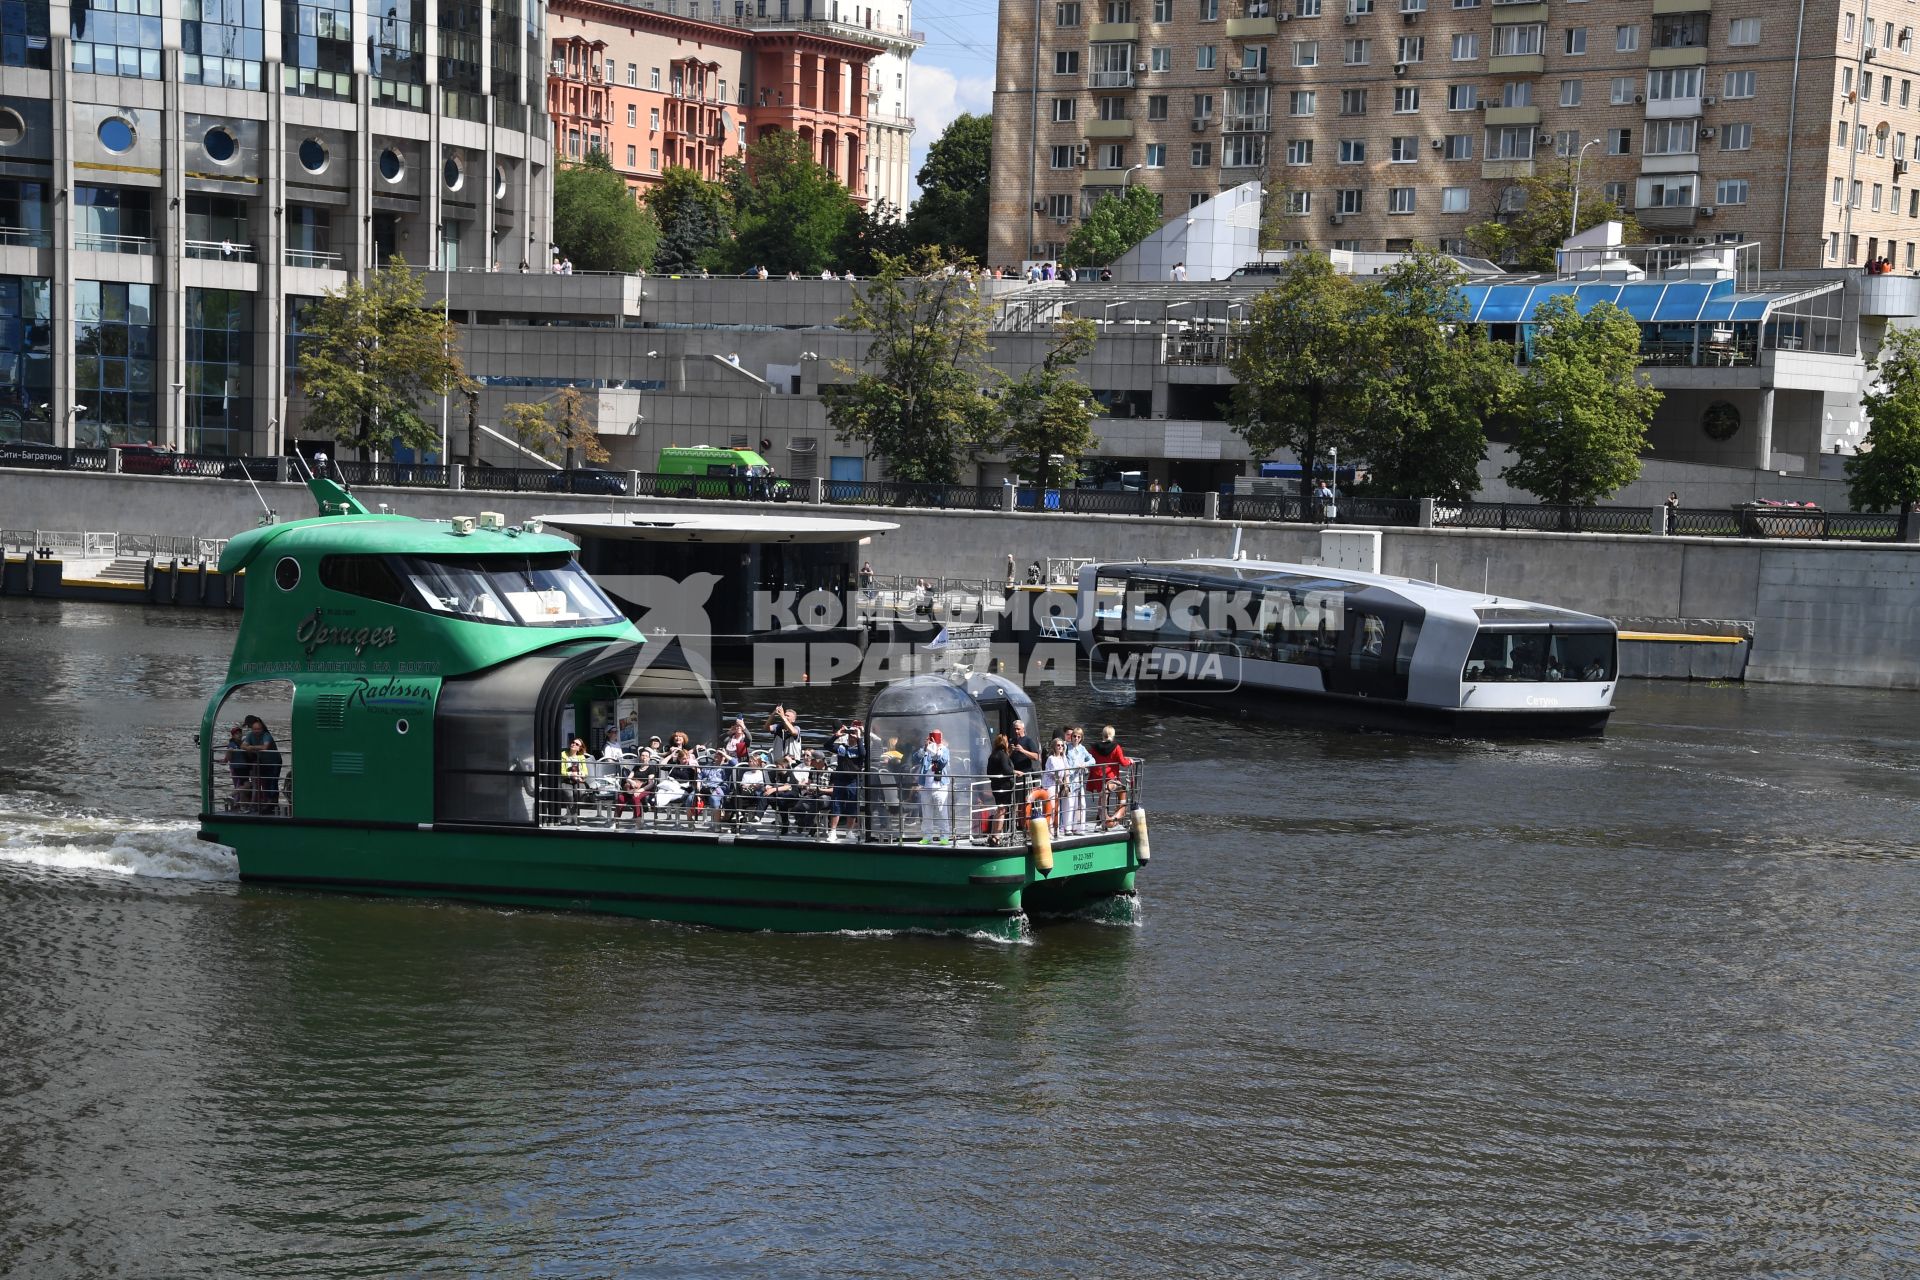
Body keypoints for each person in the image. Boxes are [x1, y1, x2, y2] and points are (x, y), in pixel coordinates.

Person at [1088, 726, 1134, 828]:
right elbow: (1123, 762)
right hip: (1111, 777)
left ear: (1102, 735)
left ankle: (1099, 820)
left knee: (1102, 797)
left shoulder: (1094, 747)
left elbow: (1089, 758)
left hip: (1097, 776)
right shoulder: (1116, 747)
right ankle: (1108, 821)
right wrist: (1129, 761)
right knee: (1108, 797)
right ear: (1112, 735)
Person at [828, 722, 866, 840]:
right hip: (840, 780)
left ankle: (849, 831)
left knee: (852, 806)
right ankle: (832, 832)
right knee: (836, 806)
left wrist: (859, 738)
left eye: (853, 733)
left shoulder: (861, 748)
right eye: (850, 733)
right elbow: (827, 746)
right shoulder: (842, 747)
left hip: (853, 781)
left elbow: (863, 754)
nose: (851, 736)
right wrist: (837, 735)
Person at [913, 729, 952, 843]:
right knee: (926, 813)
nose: (934, 739)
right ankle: (927, 837)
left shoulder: (944, 750)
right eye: (932, 736)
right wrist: (925, 748)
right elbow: (915, 758)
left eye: (937, 736)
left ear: (941, 737)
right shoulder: (926, 750)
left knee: (941, 812)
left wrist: (936, 750)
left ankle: (944, 837)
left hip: (940, 786)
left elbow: (943, 762)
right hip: (926, 787)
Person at [240, 716, 282, 814]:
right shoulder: (250, 735)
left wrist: (251, 747)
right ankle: (269, 803)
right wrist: (249, 747)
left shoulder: (266, 735)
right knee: (266, 783)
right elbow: (242, 745)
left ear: (262, 728)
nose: (256, 731)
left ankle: (273, 804)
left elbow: (265, 746)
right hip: (263, 762)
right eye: (254, 729)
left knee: (273, 782)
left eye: (258, 729)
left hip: (274, 762)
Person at [1063, 725, 1095, 835]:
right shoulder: (1067, 747)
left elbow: (1092, 760)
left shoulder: (1082, 749)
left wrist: (1084, 764)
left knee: (1081, 804)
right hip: (1070, 779)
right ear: (1071, 737)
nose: (1076, 738)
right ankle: (1067, 828)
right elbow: (1062, 758)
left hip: (1079, 779)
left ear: (1081, 738)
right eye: (1074, 736)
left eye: (1078, 737)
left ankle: (1079, 827)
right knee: (1070, 803)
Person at [986, 733, 1016, 845]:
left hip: (995, 786)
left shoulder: (992, 755)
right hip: (1003, 787)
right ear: (1004, 743)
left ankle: (993, 834)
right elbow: (1007, 770)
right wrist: (1014, 772)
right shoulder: (1002, 755)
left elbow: (989, 772)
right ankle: (996, 837)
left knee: (999, 810)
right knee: (1002, 810)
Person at [558, 735, 591, 819]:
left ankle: (571, 813)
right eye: (573, 742)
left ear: (579, 748)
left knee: (579, 792)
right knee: (569, 795)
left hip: (578, 780)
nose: (573, 744)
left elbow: (585, 772)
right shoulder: (563, 754)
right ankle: (574, 814)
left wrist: (579, 775)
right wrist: (571, 774)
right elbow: (561, 771)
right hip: (566, 780)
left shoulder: (581, 757)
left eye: (576, 744)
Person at [223, 724, 253, 812]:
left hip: (244, 767)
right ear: (233, 735)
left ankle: (242, 806)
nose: (239, 735)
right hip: (239, 768)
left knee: (243, 787)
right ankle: (231, 795)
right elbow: (228, 757)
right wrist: (230, 751)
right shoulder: (232, 744)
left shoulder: (242, 743)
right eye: (236, 733)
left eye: (240, 733)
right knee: (247, 785)